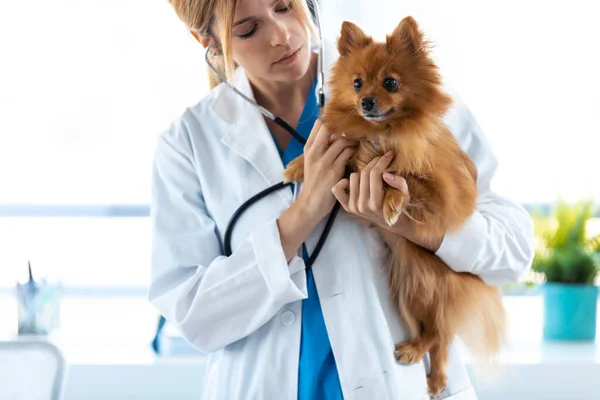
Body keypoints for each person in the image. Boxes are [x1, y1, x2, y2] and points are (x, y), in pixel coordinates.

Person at [148, 0, 535, 398]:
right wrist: (302, 213)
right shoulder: (188, 144)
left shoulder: (413, 96)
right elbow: (194, 315)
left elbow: (515, 250)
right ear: (207, 39)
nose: (281, 35)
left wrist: (414, 224)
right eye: (249, 29)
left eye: (284, 7)